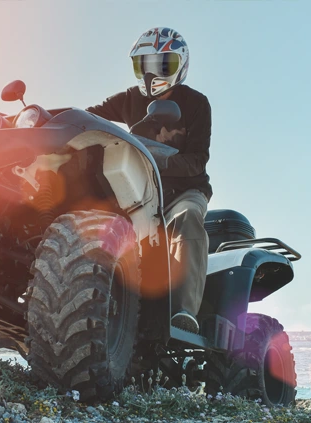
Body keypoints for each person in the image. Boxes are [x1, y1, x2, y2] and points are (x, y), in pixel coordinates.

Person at [86, 27, 212, 334]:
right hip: (139, 190)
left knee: (188, 217)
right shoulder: (130, 99)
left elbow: (197, 160)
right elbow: (88, 117)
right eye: (143, 64)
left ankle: (183, 312)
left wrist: (154, 159)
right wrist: (48, 117)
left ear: (180, 65)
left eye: (161, 64)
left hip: (184, 191)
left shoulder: (196, 104)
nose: (150, 73)